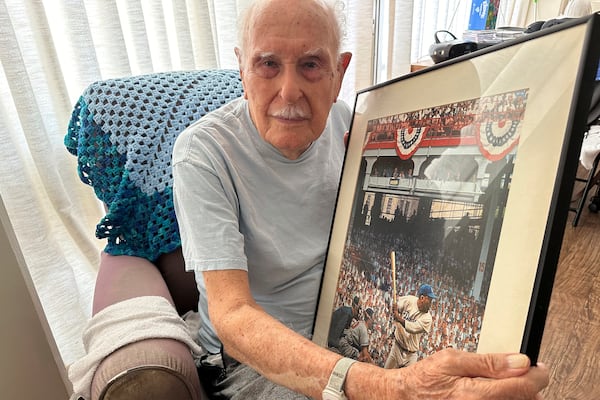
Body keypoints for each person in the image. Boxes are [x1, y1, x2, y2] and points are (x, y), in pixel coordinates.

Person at [172, 0, 549, 398]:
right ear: (242, 71)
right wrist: (388, 387)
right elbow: (233, 317)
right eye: (267, 64)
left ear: (339, 73)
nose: (289, 91)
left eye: (311, 65)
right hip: (257, 357)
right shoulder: (203, 152)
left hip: (342, 327)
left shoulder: (351, 124)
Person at [384, 284, 435, 369]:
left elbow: (413, 328)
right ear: (422, 298)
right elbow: (396, 306)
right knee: (385, 374)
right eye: (429, 299)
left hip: (410, 355)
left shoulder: (428, 318)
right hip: (397, 347)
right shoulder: (409, 300)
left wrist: (399, 318)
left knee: (408, 382)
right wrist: (395, 308)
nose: (430, 303)